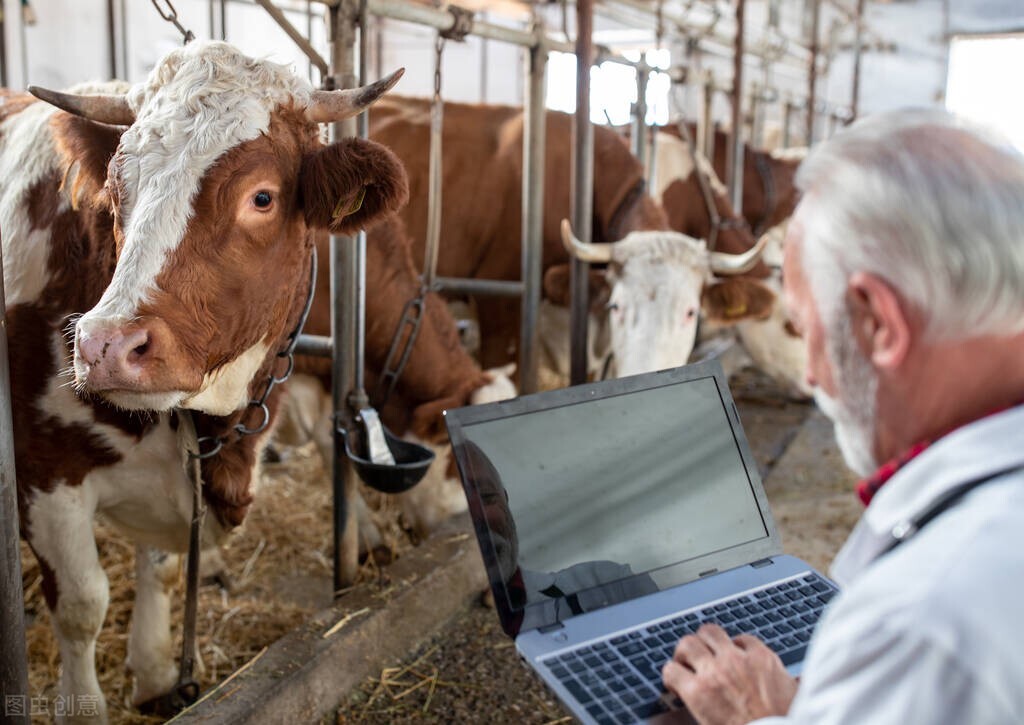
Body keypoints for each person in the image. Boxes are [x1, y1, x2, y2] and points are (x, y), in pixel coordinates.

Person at [661, 108, 1024, 723]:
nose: (809, 374)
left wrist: (751, 716)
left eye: (805, 330)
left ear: (877, 323)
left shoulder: (921, 623)